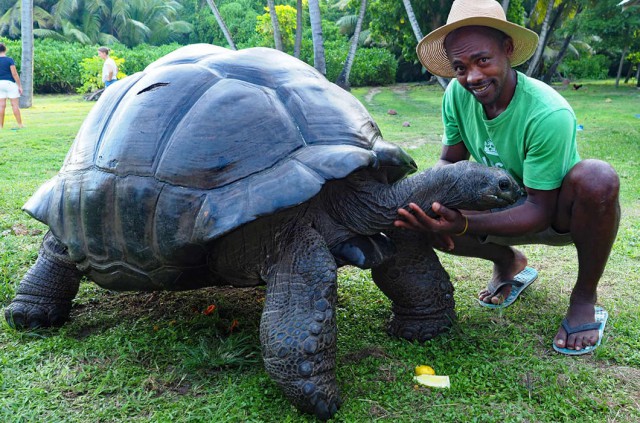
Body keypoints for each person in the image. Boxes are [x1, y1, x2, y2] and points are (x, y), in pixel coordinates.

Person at [395, 0, 620, 355]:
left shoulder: (547, 112)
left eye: (482, 60)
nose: (472, 77)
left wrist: (464, 223)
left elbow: (539, 210)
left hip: (556, 214)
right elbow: (449, 162)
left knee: (597, 178)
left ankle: (583, 297)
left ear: (508, 50)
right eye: (459, 67)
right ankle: (507, 262)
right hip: (497, 207)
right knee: (424, 214)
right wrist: (419, 200)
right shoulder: (457, 94)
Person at [0, 42, 24, 129]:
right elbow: (14, 74)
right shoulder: (9, 60)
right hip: (10, 84)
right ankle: (20, 125)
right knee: (14, 105)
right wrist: (19, 86)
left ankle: (1, 126)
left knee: (1, 106)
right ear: (5, 49)